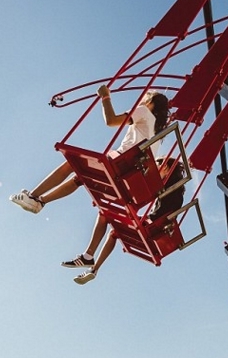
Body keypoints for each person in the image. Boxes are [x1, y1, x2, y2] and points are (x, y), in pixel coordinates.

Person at [10, 85, 170, 214]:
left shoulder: (144, 112)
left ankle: (32, 196)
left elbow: (111, 121)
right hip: (129, 177)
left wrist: (105, 97)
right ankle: (40, 202)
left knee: (72, 163)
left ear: (151, 102)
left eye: (145, 99)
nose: (141, 101)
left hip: (119, 166)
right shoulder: (156, 132)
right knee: (80, 177)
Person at [63, 157, 186, 285]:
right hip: (154, 227)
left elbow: (151, 207)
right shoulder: (175, 189)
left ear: (165, 168)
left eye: (155, 168)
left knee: (104, 214)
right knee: (114, 232)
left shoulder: (167, 187)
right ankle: (93, 269)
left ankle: (88, 256)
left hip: (150, 226)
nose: (152, 174)